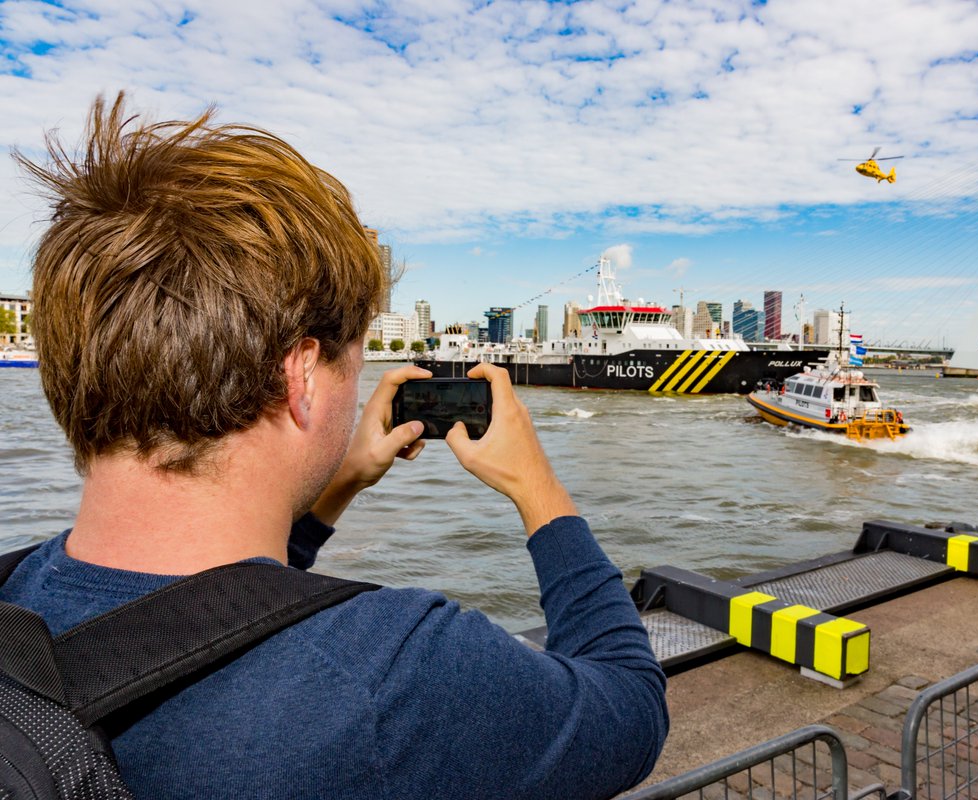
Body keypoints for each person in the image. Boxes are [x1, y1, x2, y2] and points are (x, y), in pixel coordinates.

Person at [0, 94, 667, 799]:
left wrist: (337, 484)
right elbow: (629, 707)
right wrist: (541, 493)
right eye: (353, 363)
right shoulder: (391, 671)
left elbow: (212, 612)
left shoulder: (16, 597)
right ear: (303, 376)